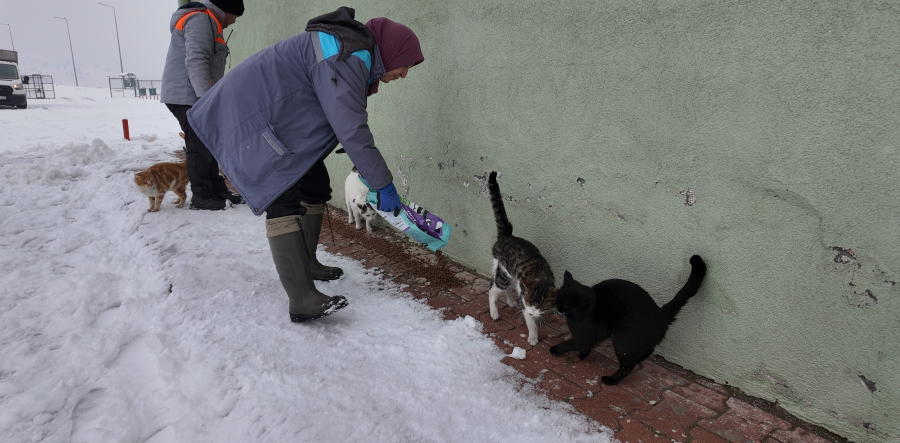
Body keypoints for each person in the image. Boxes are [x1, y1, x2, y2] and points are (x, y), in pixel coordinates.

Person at [187, 7, 424, 322]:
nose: (404, 74)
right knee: (281, 195)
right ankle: (301, 299)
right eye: (406, 65)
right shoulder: (348, 56)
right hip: (248, 117)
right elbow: (351, 128)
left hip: (272, 119)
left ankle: (308, 263)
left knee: (315, 185)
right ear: (393, 52)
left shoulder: (351, 51)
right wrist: (382, 183)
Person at [161, 0, 245, 210]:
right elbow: (196, 60)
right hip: (187, 96)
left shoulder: (209, 21)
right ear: (227, 11)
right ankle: (201, 196)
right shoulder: (200, 19)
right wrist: (206, 99)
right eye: (235, 17)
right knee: (198, 146)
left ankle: (217, 190)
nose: (233, 22)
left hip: (193, 96)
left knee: (207, 143)